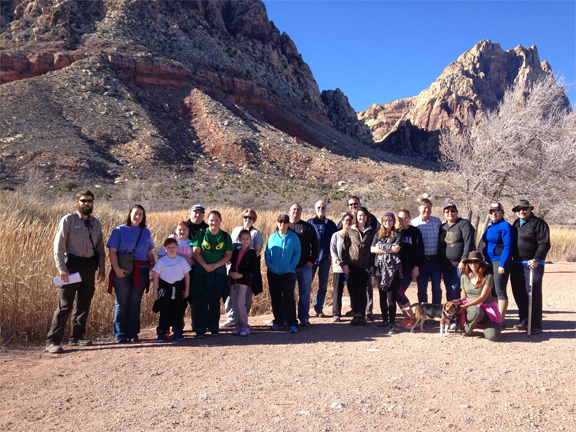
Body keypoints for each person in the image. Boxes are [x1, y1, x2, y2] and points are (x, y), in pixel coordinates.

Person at [46, 190, 106, 354]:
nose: (87, 203)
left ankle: (77, 337)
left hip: (89, 269)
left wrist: (102, 269)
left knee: (83, 304)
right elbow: (58, 247)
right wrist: (62, 269)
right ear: (77, 202)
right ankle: (53, 341)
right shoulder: (68, 220)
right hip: (71, 269)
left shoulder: (96, 223)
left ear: (93, 203)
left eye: (90, 201)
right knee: (65, 305)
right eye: (83, 200)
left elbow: (100, 248)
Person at [107, 204, 156, 344]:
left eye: (141, 214)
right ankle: (120, 334)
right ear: (129, 214)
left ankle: (133, 333)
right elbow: (112, 251)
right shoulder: (119, 230)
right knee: (122, 303)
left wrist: (153, 270)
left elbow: (150, 253)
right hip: (123, 270)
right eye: (135, 214)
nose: (137, 217)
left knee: (135, 303)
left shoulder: (145, 232)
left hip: (141, 271)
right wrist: (116, 268)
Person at [510, 199, 550, 335]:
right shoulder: (515, 224)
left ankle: (536, 324)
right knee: (519, 293)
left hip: (532, 264)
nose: (522, 211)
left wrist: (537, 258)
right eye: (519, 209)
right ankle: (524, 320)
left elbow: (544, 243)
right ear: (516, 211)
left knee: (532, 294)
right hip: (516, 264)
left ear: (530, 209)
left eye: (525, 209)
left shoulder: (539, 223)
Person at [191, 210, 233, 337]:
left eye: (216, 220)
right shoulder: (201, 233)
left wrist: (216, 265)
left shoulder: (225, 236)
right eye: (211, 220)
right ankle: (200, 329)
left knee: (214, 300)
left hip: (218, 272)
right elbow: (196, 252)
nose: (213, 222)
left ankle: (214, 328)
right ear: (207, 221)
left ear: (220, 221)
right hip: (201, 272)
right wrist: (205, 265)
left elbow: (228, 255)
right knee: (200, 300)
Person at [337, 196, 380, 320]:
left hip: (365, 265)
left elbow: (374, 249)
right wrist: (344, 264)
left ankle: (363, 314)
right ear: (356, 217)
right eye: (360, 216)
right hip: (352, 264)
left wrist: (372, 265)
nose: (362, 217)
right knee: (353, 290)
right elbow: (345, 248)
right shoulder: (350, 230)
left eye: (364, 216)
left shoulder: (371, 231)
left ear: (367, 217)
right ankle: (356, 314)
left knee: (364, 290)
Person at [221, 208, 264, 328]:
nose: (247, 219)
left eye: (250, 217)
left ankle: (242, 321)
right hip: (232, 268)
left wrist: (244, 268)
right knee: (231, 295)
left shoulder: (256, 233)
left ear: (254, 219)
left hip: (246, 271)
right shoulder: (235, 230)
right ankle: (231, 318)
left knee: (244, 296)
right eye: (245, 217)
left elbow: (257, 252)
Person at [265, 214, 301, 333]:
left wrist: (291, 266)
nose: (282, 224)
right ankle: (278, 321)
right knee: (275, 297)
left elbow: (297, 253)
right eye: (280, 221)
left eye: (285, 222)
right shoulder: (272, 238)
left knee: (288, 297)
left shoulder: (294, 237)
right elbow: (267, 253)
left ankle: (292, 323)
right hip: (273, 272)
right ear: (277, 223)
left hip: (288, 272)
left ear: (288, 224)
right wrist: (269, 265)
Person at [152, 238, 191, 341]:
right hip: (165, 290)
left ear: (177, 248)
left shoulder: (182, 260)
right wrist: (155, 291)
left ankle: (178, 331)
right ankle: (162, 332)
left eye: (173, 247)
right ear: (164, 249)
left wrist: (186, 290)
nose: (171, 249)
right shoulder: (161, 261)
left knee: (178, 311)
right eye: (169, 247)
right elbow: (156, 277)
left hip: (178, 290)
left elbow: (187, 276)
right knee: (164, 311)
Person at [481, 202, 513, 326]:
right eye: (491, 212)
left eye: (496, 212)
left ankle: (501, 320)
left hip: (500, 260)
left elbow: (508, 246)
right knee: (492, 290)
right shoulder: (490, 227)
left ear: (502, 213)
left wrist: (502, 264)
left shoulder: (505, 226)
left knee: (500, 290)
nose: (494, 214)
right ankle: (494, 317)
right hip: (489, 261)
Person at [458, 251, 502, 341]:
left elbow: (483, 298)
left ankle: (492, 326)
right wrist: (458, 301)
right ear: (467, 263)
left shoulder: (488, 276)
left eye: (475, 262)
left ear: (480, 263)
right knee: (476, 311)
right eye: (470, 262)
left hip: (486, 307)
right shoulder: (464, 277)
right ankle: (467, 329)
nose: (472, 264)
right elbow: (464, 297)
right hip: (472, 308)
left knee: (492, 337)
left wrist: (464, 306)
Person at [371, 212, 403, 334]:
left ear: (393, 222)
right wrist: (389, 248)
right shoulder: (378, 235)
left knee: (391, 297)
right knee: (382, 296)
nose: (387, 223)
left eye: (390, 220)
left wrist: (381, 248)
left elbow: (396, 249)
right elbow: (372, 249)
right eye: (385, 221)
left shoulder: (398, 234)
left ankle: (392, 323)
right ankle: (384, 320)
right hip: (379, 270)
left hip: (392, 270)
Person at [289, 203, 319, 327]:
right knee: (288, 293)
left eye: (298, 209)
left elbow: (316, 244)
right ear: (290, 211)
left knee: (305, 293)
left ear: (301, 212)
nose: (296, 211)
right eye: (294, 209)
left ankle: (304, 318)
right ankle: (288, 318)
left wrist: (312, 260)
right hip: (289, 267)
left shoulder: (307, 227)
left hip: (304, 266)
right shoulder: (284, 225)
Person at [438, 203, 476, 302]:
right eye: (447, 211)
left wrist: (463, 261)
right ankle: (452, 312)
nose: (450, 213)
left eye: (453, 211)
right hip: (445, 265)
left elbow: (469, 243)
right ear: (443, 213)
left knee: (455, 288)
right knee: (449, 289)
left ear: (457, 212)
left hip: (458, 265)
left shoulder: (463, 224)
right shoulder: (442, 227)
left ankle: (457, 313)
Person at [229, 229, 263, 336]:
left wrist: (242, 275)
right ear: (239, 240)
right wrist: (231, 273)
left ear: (250, 240)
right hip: (233, 281)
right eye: (243, 239)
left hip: (243, 280)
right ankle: (237, 324)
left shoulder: (252, 252)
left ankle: (245, 326)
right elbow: (232, 264)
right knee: (234, 304)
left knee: (240, 303)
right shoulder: (236, 251)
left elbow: (253, 268)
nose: (245, 241)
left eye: (247, 239)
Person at [308, 200, 338, 318]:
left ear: (326, 209)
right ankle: (304, 309)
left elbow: (335, 240)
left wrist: (332, 253)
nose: (321, 209)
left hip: (326, 258)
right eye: (319, 207)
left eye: (323, 207)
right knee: (306, 285)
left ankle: (318, 308)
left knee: (323, 285)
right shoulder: (309, 223)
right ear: (315, 209)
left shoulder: (331, 224)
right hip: (311, 259)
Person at [411, 198, 442, 304]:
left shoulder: (437, 221)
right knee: (422, 289)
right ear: (419, 208)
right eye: (425, 208)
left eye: (429, 208)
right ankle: (424, 313)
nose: (427, 210)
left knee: (437, 288)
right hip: (421, 261)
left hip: (435, 260)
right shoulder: (413, 223)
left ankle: (436, 312)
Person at [396, 209, 422, 329]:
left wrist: (416, 266)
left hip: (409, 267)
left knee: (400, 292)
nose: (403, 220)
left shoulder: (415, 232)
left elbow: (418, 250)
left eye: (405, 217)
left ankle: (413, 318)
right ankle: (407, 318)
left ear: (409, 217)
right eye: (400, 218)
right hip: (397, 267)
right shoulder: (397, 232)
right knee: (395, 294)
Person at [330, 213, 353, 322]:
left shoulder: (353, 235)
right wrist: (341, 264)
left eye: (350, 221)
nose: (348, 222)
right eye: (346, 220)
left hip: (351, 267)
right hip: (338, 267)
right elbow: (333, 251)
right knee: (337, 290)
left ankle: (355, 310)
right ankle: (336, 313)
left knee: (353, 289)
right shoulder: (335, 235)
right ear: (342, 221)